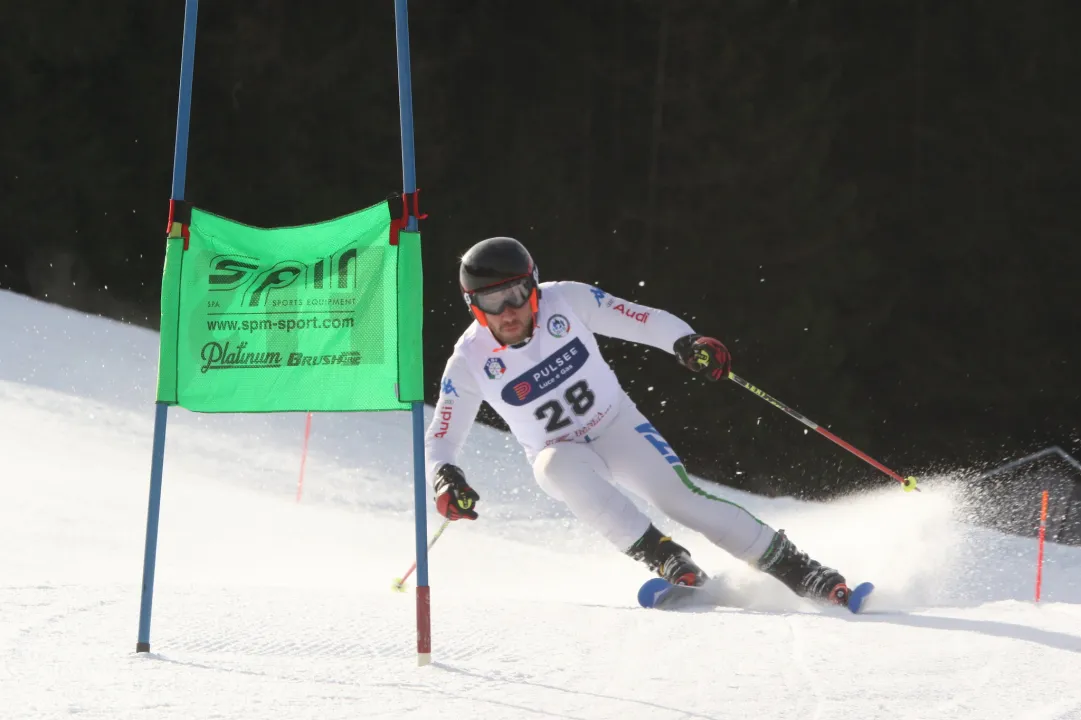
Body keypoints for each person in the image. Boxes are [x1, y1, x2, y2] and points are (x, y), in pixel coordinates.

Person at [424, 236, 852, 605]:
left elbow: (640, 318)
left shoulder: (567, 301)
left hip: (617, 426)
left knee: (682, 499)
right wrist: (446, 478)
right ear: (473, 306)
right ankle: (667, 558)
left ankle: (804, 572)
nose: (508, 312)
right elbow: (441, 437)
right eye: (491, 302)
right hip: (562, 452)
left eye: (516, 293)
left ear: (533, 285)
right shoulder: (469, 361)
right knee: (556, 467)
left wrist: (685, 341)